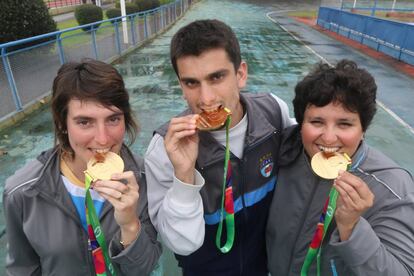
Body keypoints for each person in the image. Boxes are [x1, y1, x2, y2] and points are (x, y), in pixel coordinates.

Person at [145, 19, 295, 275]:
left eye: (216, 77)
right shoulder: (163, 149)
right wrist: (184, 175)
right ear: (181, 86)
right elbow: (182, 244)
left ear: (241, 74)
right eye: (192, 83)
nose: (206, 99)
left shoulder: (273, 113)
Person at [3, 59, 162, 275]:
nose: (103, 139)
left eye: (113, 119)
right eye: (84, 122)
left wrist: (130, 225)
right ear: (62, 123)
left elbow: (145, 269)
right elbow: (23, 270)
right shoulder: (23, 192)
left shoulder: (144, 178)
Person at [266, 59, 414, 275]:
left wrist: (352, 227)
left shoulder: (392, 187)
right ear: (300, 125)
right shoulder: (285, 152)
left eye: (344, 124)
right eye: (316, 122)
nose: (328, 137)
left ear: (363, 128)